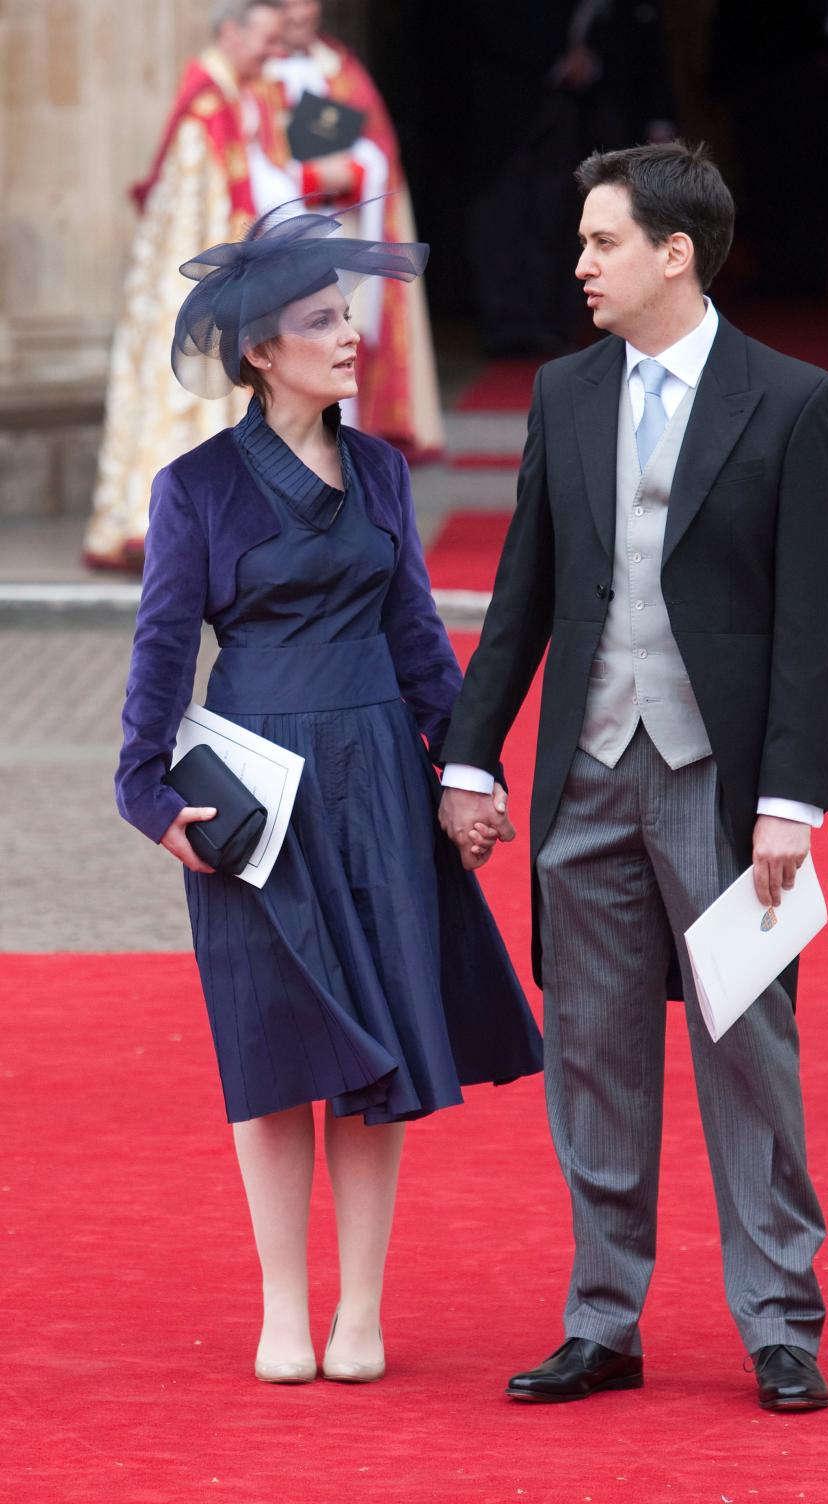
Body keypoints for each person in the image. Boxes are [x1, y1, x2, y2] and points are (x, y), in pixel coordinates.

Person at [439, 143, 828, 1411]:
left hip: (719, 783)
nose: (580, 264)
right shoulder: (562, 392)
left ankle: (780, 1320)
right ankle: (603, 1319)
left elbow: (809, 621)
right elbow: (522, 593)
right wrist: (469, 750)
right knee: (594, 1056)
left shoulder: (789, 399)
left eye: (602, 241)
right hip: (588, 774)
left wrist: (792, 799)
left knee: (749, 1052)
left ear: (675, 252)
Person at [114, 204, 543, 1386]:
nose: (349, 333)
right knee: (270, 1052)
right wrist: (151, 798)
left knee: (375, 1056)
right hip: (254, 799)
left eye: (347, 311)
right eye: (320, 318)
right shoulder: (195, 487)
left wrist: (465, 774)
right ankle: (283, 1307)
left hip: (379, 786)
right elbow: (160, 655)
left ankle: (362, 1310)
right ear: (261, 350)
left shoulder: (384, 470)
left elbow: (418, 639)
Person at [84, 0, 297, 569]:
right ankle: (167, 526)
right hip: (195, 292)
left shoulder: (234, 97)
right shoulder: (208, 110)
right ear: (230, 33)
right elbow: (199, 223)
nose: (274, 54)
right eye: (266, 41)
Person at [267, 0, 444, 459]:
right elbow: (245, 159)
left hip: (340, 229)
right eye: (286, 5)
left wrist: (357, 169)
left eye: (307, 3)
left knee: (342, 334)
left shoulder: (340, 69)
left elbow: (379, 146)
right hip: (277, 236)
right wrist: (305, 178)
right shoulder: (252, 74)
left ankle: (343, 447)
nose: (299, 14)